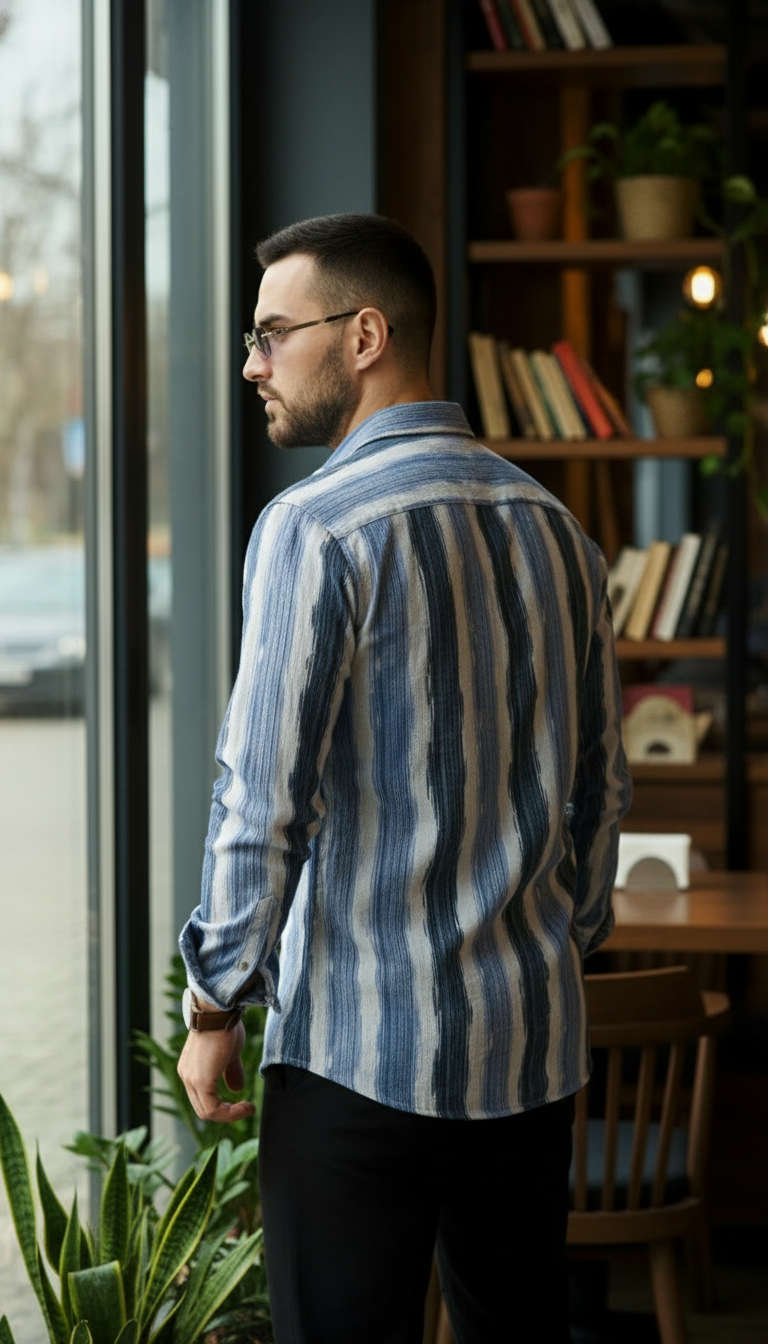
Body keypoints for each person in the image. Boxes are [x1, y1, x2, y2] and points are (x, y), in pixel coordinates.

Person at [177, 212, 632, 1344]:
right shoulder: (560, 531)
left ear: (366, 332)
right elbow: (601, 788)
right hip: (527, 1055)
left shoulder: (315, 529)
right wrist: (550, 948)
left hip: (355, 1061)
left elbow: (261, 800)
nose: (253, 364)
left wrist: (212, 997)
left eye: (274, 335)